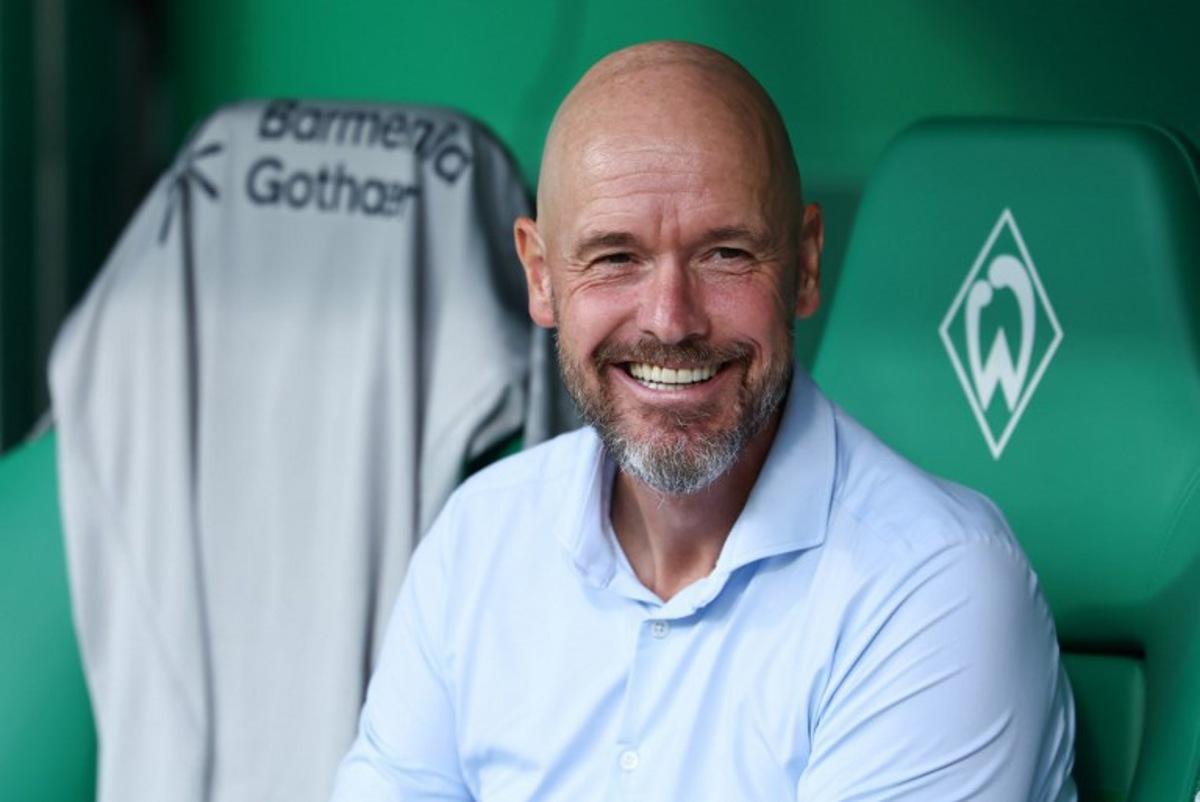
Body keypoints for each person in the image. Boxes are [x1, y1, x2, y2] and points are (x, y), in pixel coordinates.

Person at [329, 41, 1076, 801]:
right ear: (541, 276)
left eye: (724, 253)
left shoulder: (933, 584)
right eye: (616, 257)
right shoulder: (477, 540)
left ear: (807, 264)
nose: (670, 321)